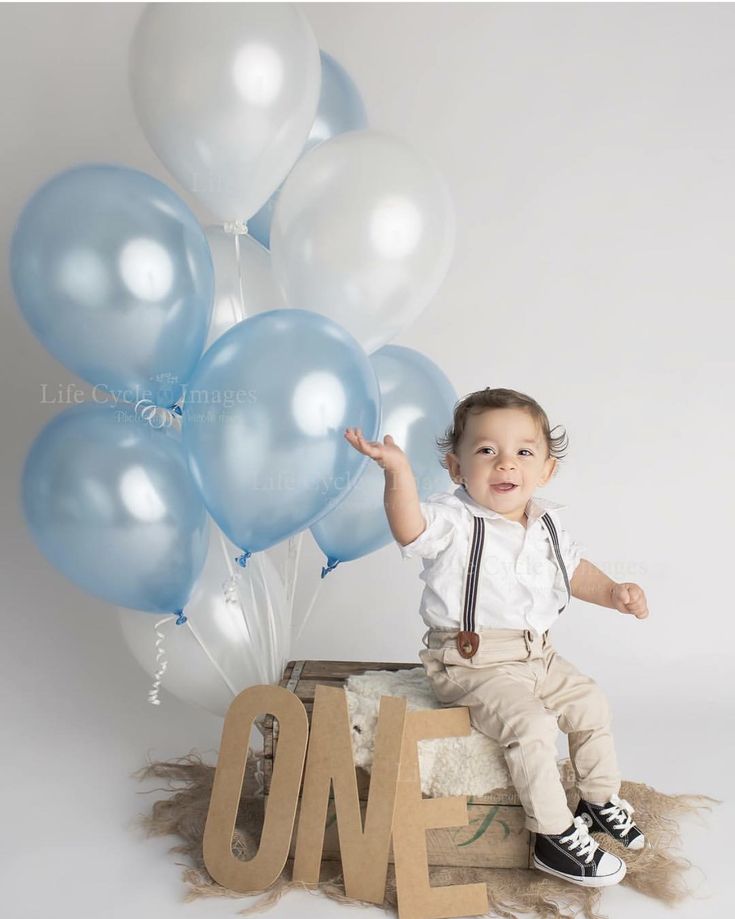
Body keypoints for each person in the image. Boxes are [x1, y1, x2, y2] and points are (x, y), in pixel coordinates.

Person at [344, 386, 650, 888]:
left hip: (537, 654)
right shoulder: (454, 519)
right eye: (487, 451)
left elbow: (575, 571)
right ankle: (553, 837)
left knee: (591, 704)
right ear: (456, 468)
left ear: (546, 470)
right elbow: (409, 528)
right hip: (471, 661)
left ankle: (597, 799)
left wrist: (615, 591)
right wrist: (396, 472)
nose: (505, 464)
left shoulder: (545, 523)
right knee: (530, 724)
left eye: (523, 452)